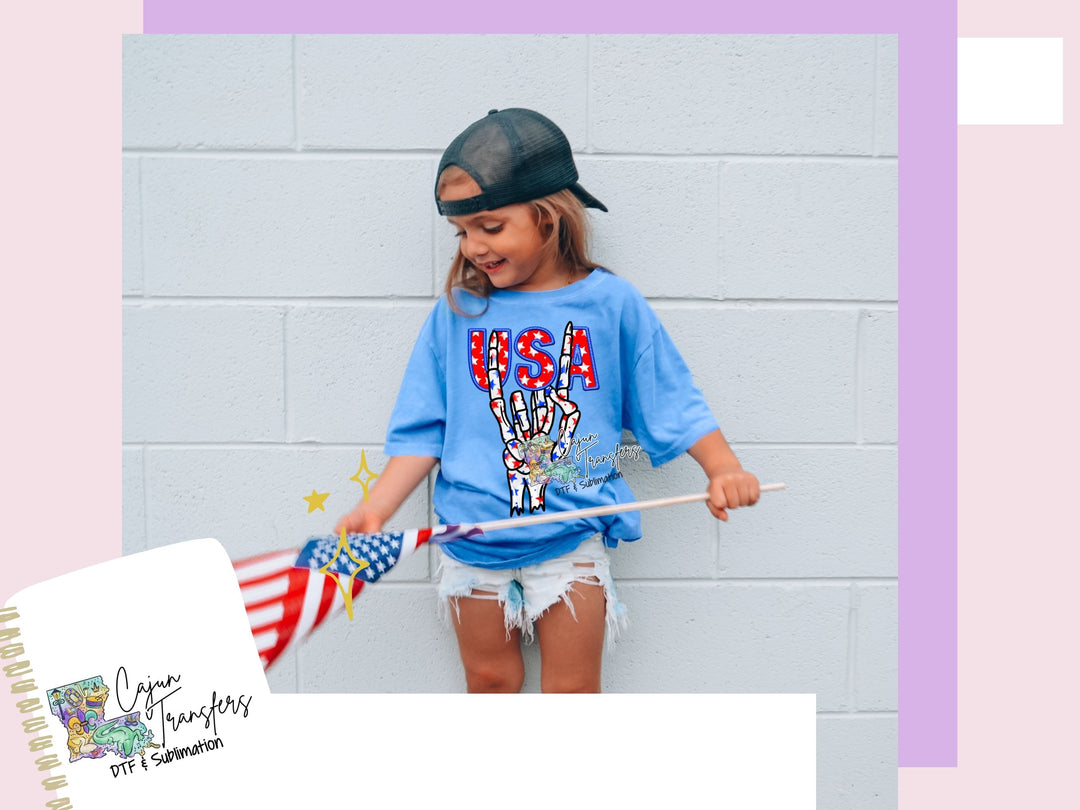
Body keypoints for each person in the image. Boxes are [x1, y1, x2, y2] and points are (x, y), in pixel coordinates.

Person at [336, 108, 759, 693]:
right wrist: (378, 508)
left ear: (548, 216)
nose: (475, 246)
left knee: (572, 693)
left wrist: (723, 467)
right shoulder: (459, 313)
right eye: (462, 232)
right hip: (471, 538)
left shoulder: (611, 305)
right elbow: (422, 432)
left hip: (571, 539)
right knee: (489, 683)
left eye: (490, 226)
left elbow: (671, 398)